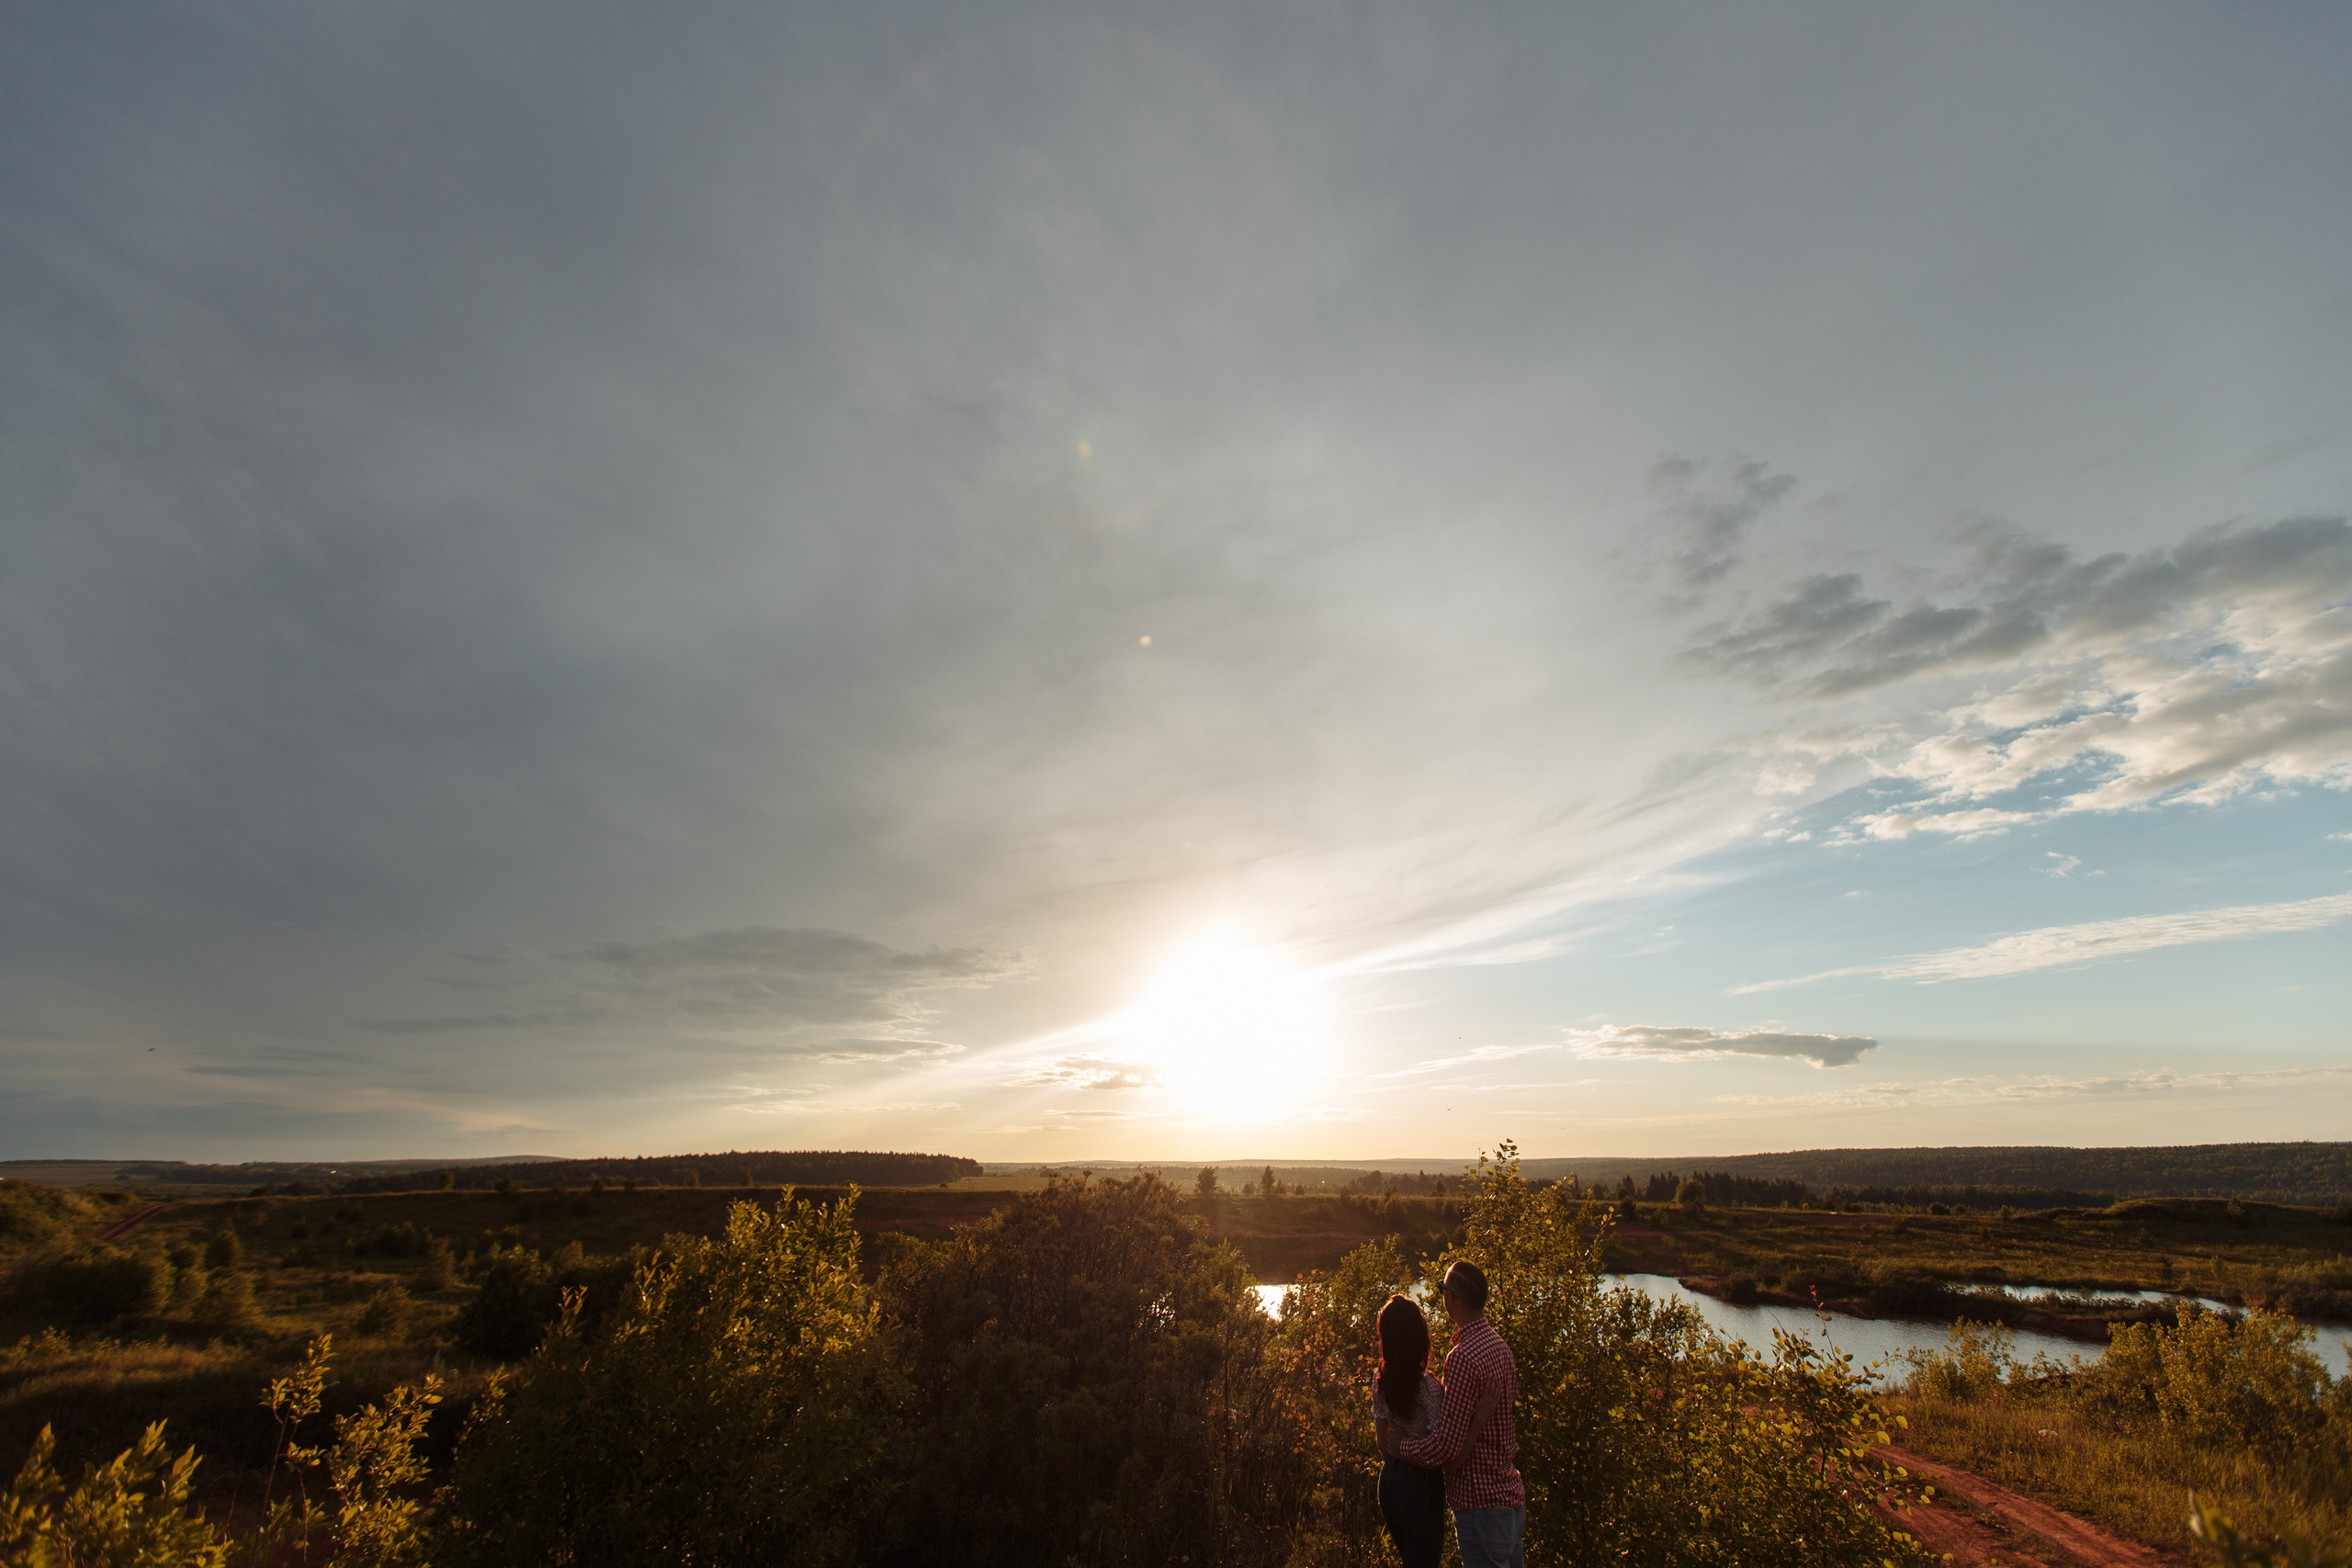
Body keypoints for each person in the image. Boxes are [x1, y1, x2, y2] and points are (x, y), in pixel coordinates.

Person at [1382, 1260, 1525, 1568]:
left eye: (1443, 1290)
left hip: (1481, 1504)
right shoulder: (1501, 1348)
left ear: (1451, 1300)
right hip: (1510, 1498)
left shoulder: (1462, 1358)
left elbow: (1446, 1448)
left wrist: (1401, 1447)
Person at [1372, 1294, 1447, 1568]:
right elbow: (1441, 1446)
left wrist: (1399, 1449)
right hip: (1420, 1489)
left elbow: (1383, 1442)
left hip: (1389, 1482)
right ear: (1419, 1338)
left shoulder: (1381, 1379)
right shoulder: (1430, 1388)